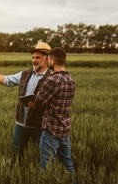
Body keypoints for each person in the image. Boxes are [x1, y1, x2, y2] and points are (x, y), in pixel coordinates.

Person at [0, 42, 52, 166]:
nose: (34, 60)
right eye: (33, 57)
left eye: (38, 57)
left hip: (39, 125)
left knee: (45, 156)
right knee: (16, 155)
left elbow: (56, 103)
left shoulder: (52, 78)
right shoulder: (25, 74)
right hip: (21, 123)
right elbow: (8, 80)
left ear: (47, 59)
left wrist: (40, 106)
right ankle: (15, 174)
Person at [28, 47, 76, 180]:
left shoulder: (52, 80)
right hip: (64, 129)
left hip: (51, 130)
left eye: (48, 59)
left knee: (47, 168)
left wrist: (34, 103)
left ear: (52, 61)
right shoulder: (70, 80)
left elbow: (39, 103)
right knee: (68, 163)